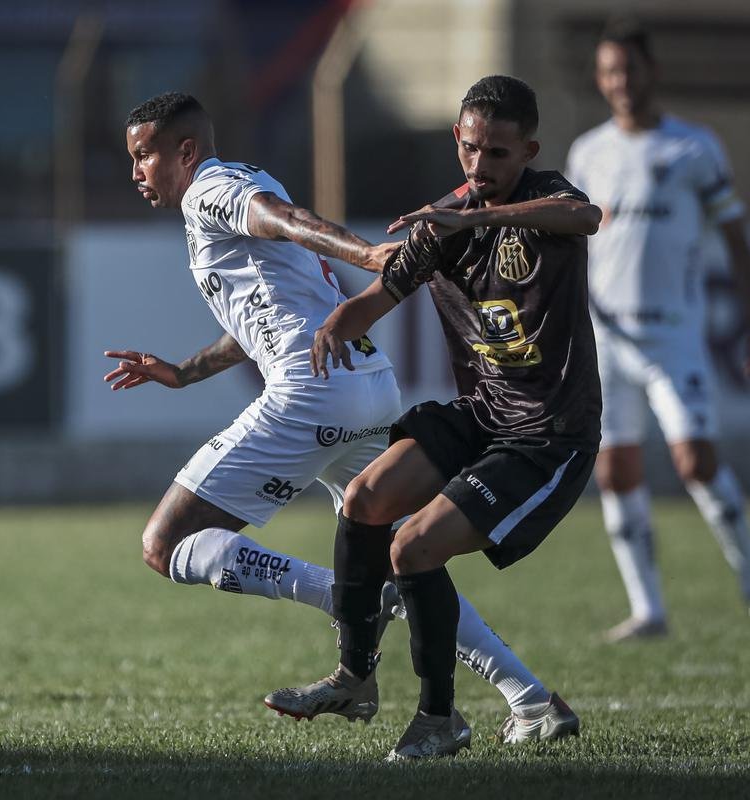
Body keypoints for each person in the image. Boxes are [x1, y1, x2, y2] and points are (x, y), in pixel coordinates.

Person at [107, 91, 576, 745]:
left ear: (184, 151)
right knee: (407, 554)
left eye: (143, 156)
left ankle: (347, 597)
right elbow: (267, 312)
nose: (136, 171)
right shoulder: (237, 184)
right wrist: (184, 372)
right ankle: (530, 699)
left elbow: (285, 219)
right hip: (364, 385)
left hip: (311, 391)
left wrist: (367, 255)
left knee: (165, 545)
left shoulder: (209, 189)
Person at [269, 76, 602, 760]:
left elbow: (586, 216)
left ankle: (438, 718)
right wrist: (336, 323)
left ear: (529, 151)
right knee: (364, 498)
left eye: (498, 154)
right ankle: (354, 677)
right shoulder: (440, 223)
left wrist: (475, 220)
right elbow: (374, 300)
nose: (480, 165)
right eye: (470, 148)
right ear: (457, 138)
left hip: (547, 433)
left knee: (413, 547)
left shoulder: (544, 202)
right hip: (481, 413)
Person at [566, 19, 750, 642]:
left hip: (674, 336)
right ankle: (648, 609)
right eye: (609, 71)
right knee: (615, 471)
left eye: (629, 69)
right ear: (600, 79)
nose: (620, 81)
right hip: (607, 338)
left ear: (652, 73)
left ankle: (746, 575)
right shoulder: (588, 152)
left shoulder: (694, 148)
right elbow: (574, 246)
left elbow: (736, 240)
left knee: (695, 461)